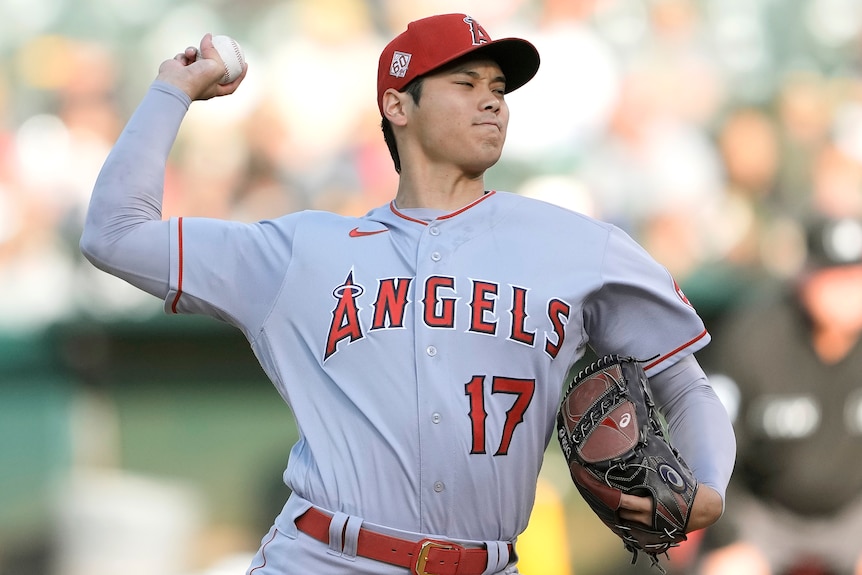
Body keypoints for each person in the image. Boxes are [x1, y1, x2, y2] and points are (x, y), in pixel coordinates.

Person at [79, 13, 736, 575]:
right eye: (465, 83)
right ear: (398, 105)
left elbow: (682, 382)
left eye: (499, 89)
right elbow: (114, 234)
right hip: (323, 557)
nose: (492, 101)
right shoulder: (301, 251)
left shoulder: (580, 246)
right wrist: (171, 91)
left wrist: (708, 482)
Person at [696, 215, 862, 575]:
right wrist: (729, 537)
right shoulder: (755, 337)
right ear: (805, 275)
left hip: (853, 514)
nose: (846, 291)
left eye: (855, 276)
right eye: (832, 276)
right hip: (765, 514)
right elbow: (708, 447)